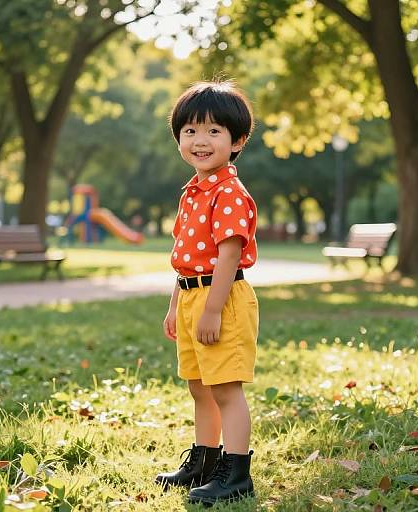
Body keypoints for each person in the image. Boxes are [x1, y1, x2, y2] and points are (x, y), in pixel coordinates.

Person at [155, 80, 259, 505]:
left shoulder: (229, 193)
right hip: (192, 296)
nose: (200, 140)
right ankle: (204, 460)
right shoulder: (193, 191)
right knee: (200, 386)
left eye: (215, 131)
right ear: (179, 138)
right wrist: (175, 306)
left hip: (224, 299)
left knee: (226, 389)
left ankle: (236, 473)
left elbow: (228, 257)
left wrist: (213, 311)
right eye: (191, 131)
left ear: (237, 142)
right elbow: (186, 260)